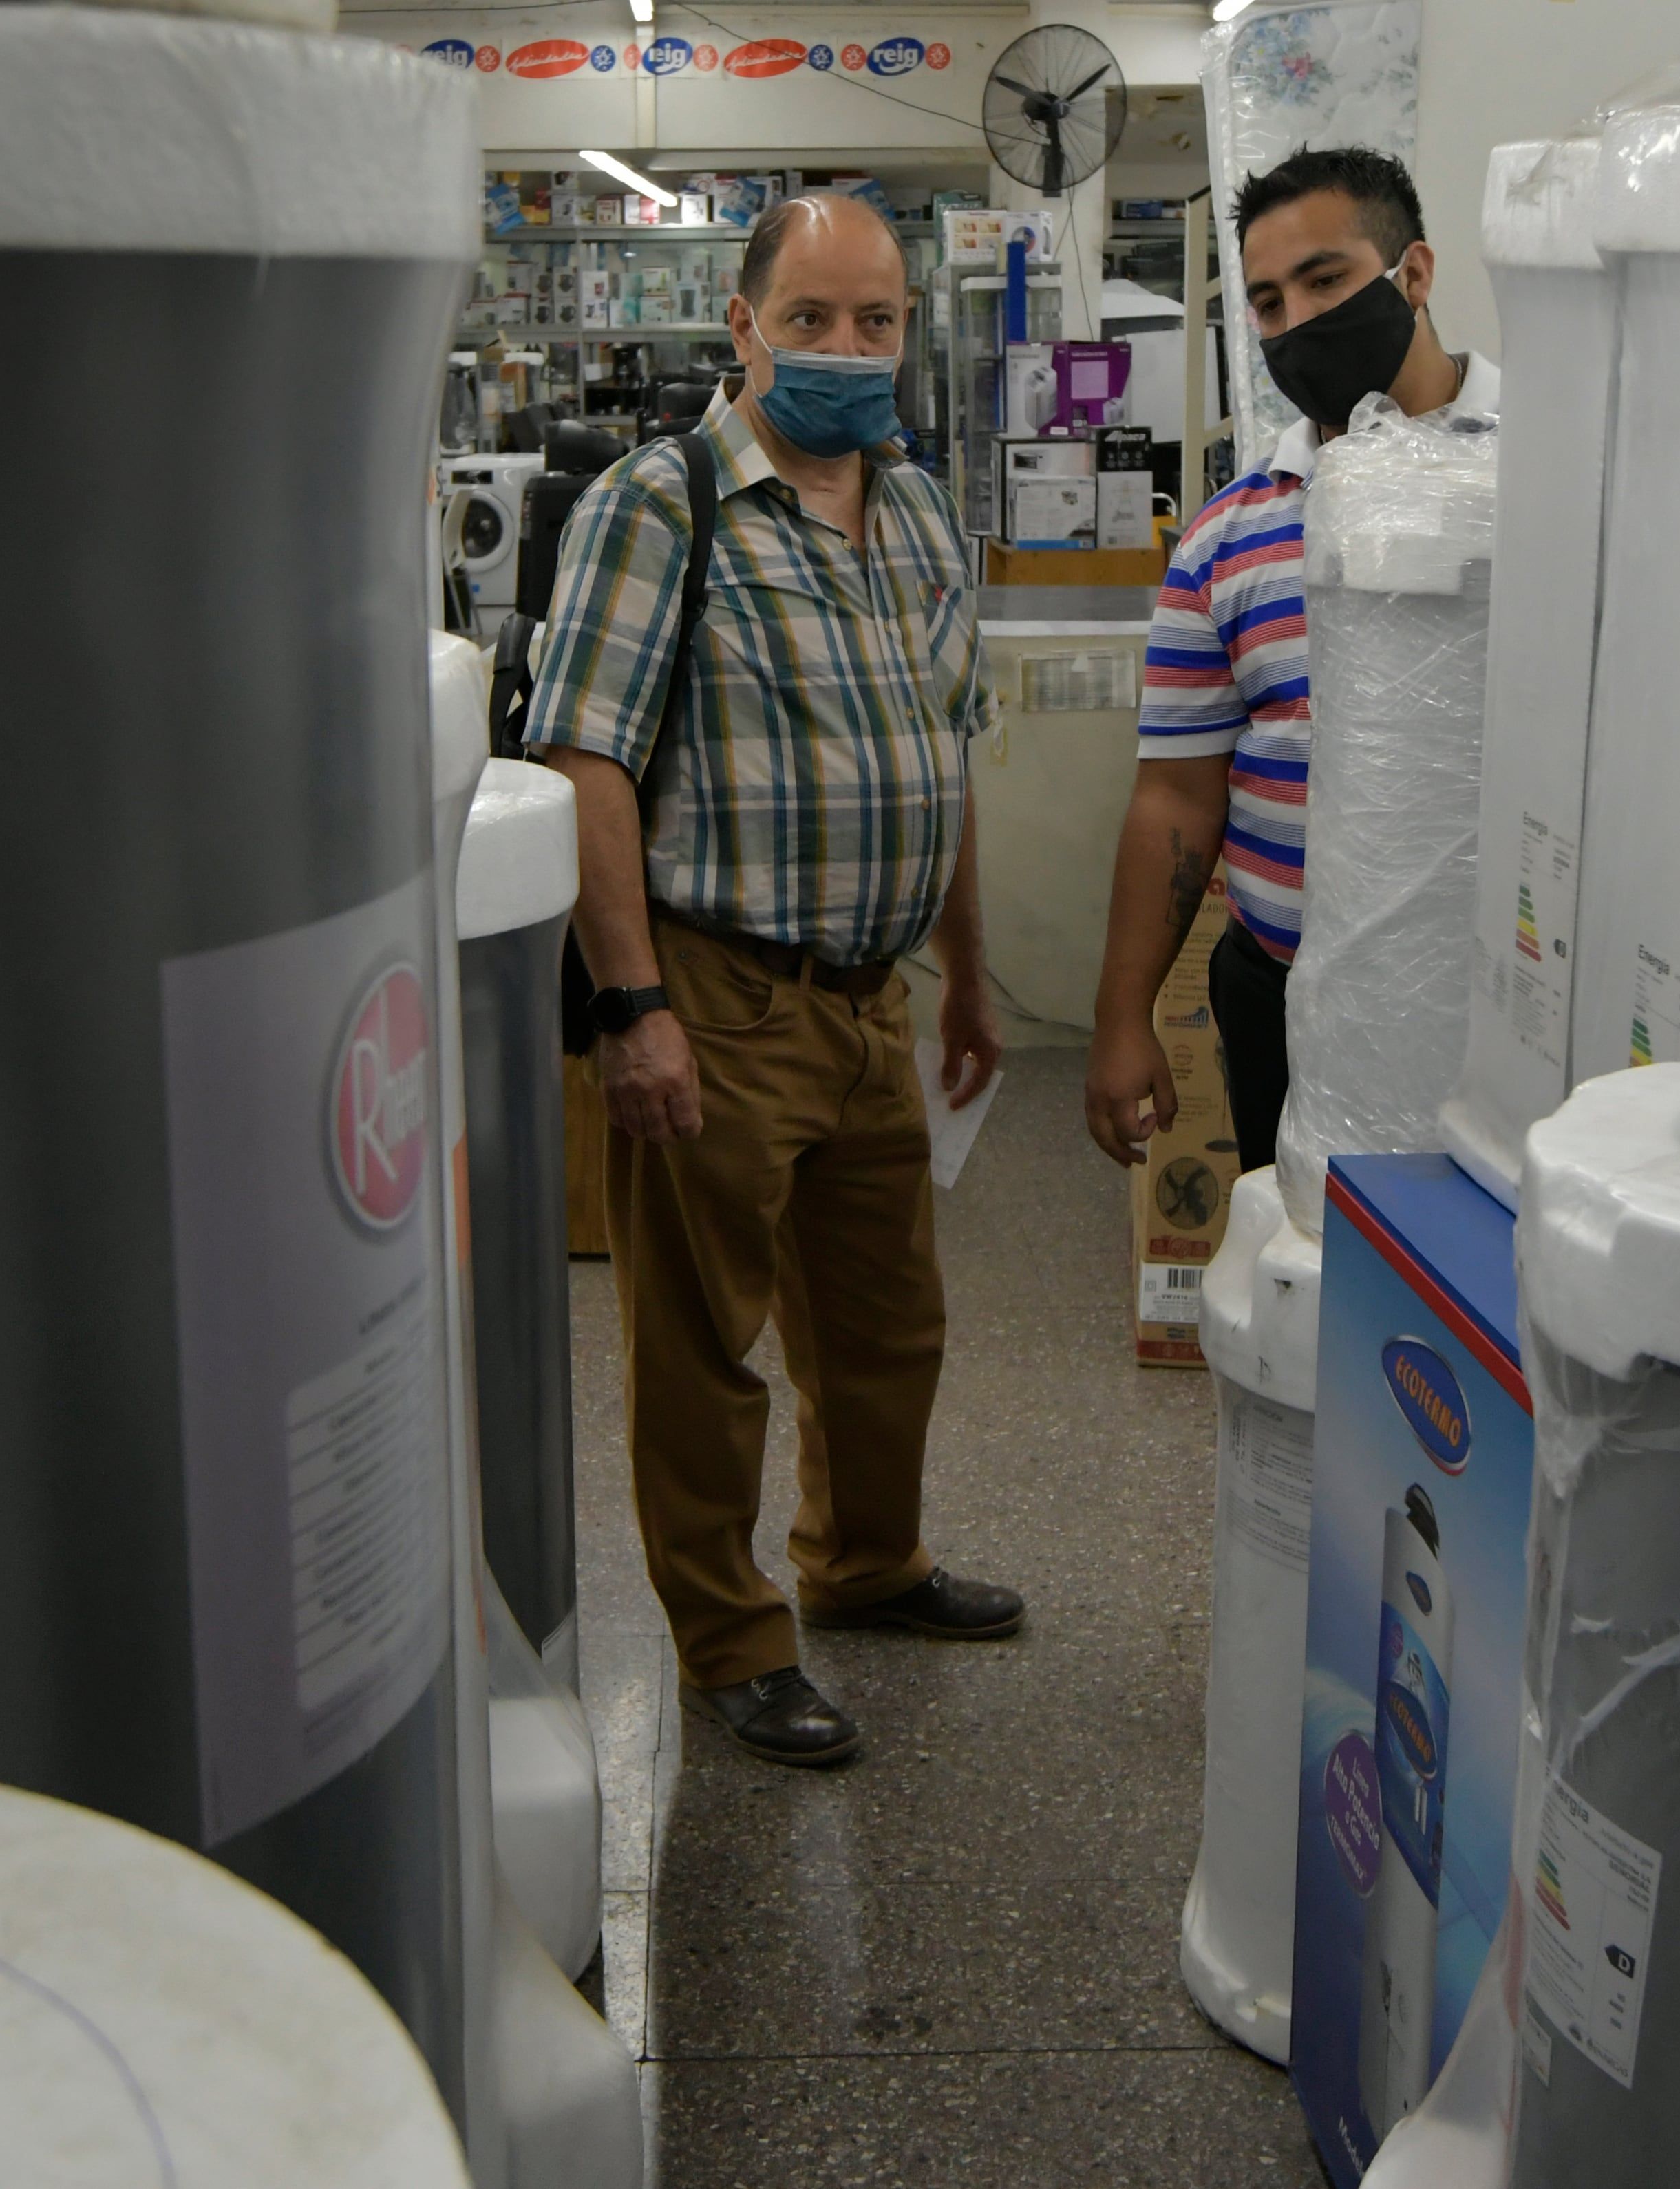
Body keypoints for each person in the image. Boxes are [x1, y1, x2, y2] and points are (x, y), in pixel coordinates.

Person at [524, 193, 1019, 1769]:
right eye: (810, 318)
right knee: (701, 1347)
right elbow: (586, 760)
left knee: (886, 1327)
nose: (845, 349)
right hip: (718, 993)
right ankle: (730, 1640)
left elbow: (935, 757)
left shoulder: (923, 510)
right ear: (742, 324)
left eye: (875, 321)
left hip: (874, 993)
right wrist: (629, 1004)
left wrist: (969, 979)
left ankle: (865, 1563)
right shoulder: (660, 502)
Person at [1081, 147, 1491, 1174]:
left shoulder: (1548, 480)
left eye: (1327, 279)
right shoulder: (1227, 538)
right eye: (1266, 301)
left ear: (1416, 272)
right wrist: (1124, 1016)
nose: (1297, 319)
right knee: (1302, 1275)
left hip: (1493, 1005)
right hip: (1281, 987)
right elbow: (1177, 795)